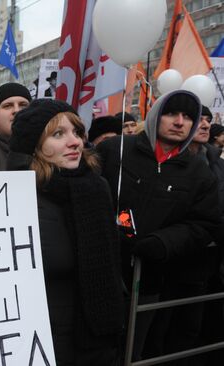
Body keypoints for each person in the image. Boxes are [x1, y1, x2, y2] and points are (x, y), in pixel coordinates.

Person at [96, 90, 221, 361]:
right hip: (98, 272)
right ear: (155, 115)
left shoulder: (198, 172)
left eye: (188, 116)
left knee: (133, 349)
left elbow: (206, 222)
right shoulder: (114, 149)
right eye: (171, 113)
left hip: (149, 279)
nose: (179, 122)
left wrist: (164, 242)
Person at [8, 99, 123, 365]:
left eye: (77, 132)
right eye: (58, 134)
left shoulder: (97, 187)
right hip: (39, 339)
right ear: (33, 146)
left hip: (96, 339)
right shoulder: (13, 196)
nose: (74, 142)